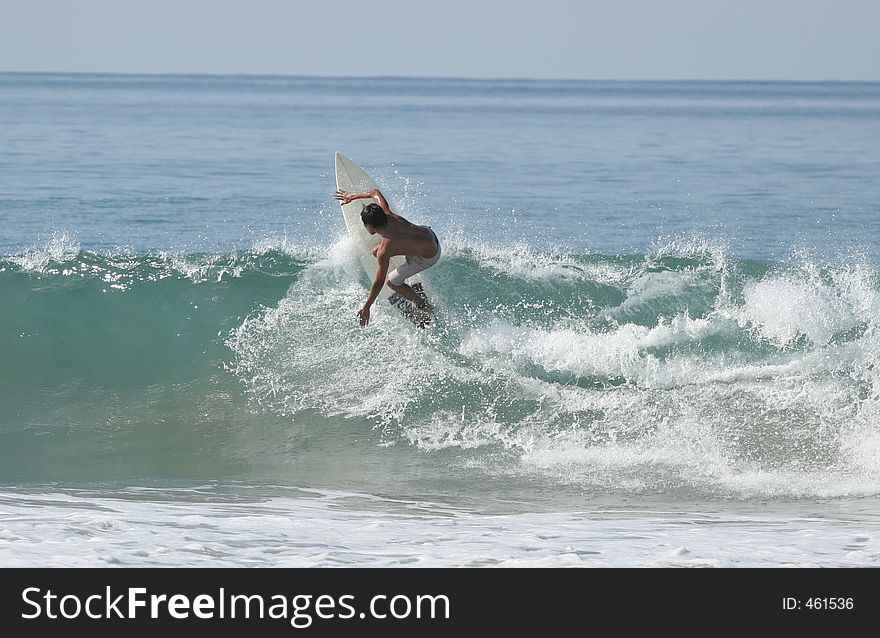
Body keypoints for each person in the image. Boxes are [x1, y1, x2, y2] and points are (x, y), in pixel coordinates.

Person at [334, 187, 441, 327]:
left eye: (365, 225)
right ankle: (406, 257)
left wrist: (366, 307)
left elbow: (379, 282)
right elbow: (374, 192)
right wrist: (352, 196)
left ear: (371, 226)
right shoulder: (386, 212)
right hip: (429, 235)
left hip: (428, 257)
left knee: (391, 281)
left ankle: (422, 304)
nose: (365, 227)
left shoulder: (386, 249)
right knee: (376, 251)